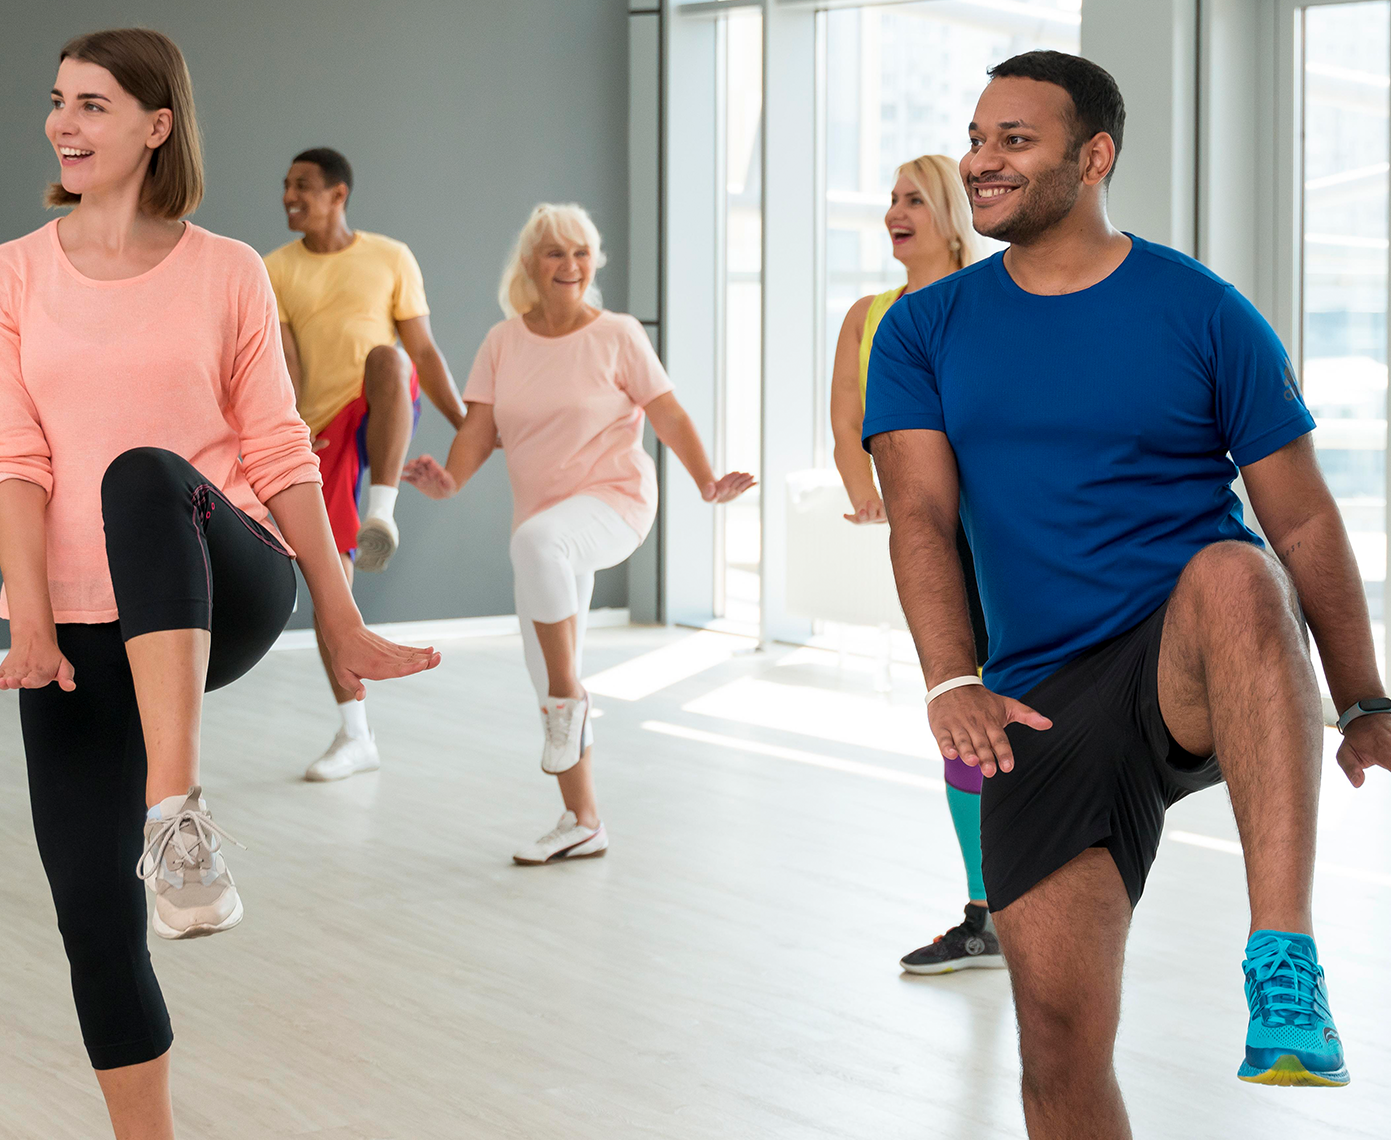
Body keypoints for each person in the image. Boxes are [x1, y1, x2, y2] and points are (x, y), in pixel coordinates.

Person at [863, 52, 1391, 1140]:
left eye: (1017, 138)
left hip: (1191, 653)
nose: (986, 160)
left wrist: (1359, 698)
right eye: (974, 140)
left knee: (1234, 571)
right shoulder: (927, 328)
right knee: (1056, 1032)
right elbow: (918, 519)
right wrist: (948, 675)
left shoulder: (1197, 312)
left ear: (1095, 156)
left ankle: (1282, 957)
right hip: (1037, 695)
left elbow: (1298, 520)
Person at [0, 28, 439, 1140]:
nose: (64, 125)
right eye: (54, 102)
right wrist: (24, 617)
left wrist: (338, 618)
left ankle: (176, 810)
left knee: (139, 475)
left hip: (219, 580)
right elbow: (11, 459)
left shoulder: (227, 270)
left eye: (93, 105)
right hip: (77, 620)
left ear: (157, 123)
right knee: (89, 915)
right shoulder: (1, 277)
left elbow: (278, 452)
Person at [401, 204, 747, 865]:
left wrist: (705, 482)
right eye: (556, 253)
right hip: (545, 520)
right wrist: (447, 481)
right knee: (542, 659)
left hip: (615, 499)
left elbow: (667, 414)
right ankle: (583, 819)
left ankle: (571, 698)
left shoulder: (617, 334)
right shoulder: (504, 342)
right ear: (530, 265)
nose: (571, 265)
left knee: (538, 558)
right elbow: (478, 430)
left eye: (582, 252)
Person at [822, 154, 1001, 975]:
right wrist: (873, 496)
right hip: (935, 543)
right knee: (962, 722)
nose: (896, 211)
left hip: (1007, 540)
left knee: (1023, 716)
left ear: (953, 214)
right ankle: (987, 910)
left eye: (915, 199)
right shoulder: (868, 315)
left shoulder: (995, 300)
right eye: (892, 199)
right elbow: (847, 419)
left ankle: (1028, 905)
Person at [266, 146, 467, 783]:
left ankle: (384, 512)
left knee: (387, 358)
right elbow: (285, 367)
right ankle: (356, 734)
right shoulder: (273, 269)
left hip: (379, 411)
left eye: (302, 186)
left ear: (338, 194)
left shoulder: (390, 257)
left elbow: (423, 353)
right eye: (285, 187)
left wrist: (470, 425)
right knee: (332, 593)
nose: (289, 197)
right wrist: (295, 437)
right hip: (322, 435)